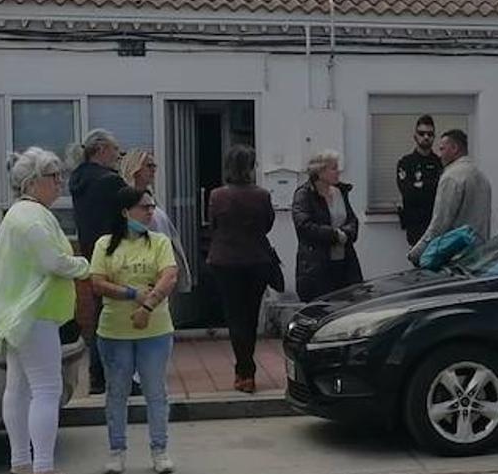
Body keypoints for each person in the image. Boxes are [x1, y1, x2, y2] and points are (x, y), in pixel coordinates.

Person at [0, 147, 91, 474]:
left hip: (16, 314)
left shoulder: (15, 216)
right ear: (33, 183)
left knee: (17, 389)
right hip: (37, 313)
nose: (59, 182)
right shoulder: (34, 217)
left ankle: (21, 463)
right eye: (53, 176)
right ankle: (44, 472)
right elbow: (54, 262)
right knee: (46, 390)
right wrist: (84, 266)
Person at [89, 186, 179, 474]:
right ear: (126, 212)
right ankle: (117, 450)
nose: (150, 212)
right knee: (117, 392)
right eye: (144, 207)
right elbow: (97, 282)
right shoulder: (105, 245)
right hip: (114, 331)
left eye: (152, 207)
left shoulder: (159, 242)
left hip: (155, 329)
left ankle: (160, 449)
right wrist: (131, 294)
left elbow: (169, 276)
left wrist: (148, 306)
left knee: (156, 391)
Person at [207, 145, 276, 393]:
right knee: (250, 317)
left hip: (225, 261)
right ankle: (247, 371)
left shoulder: (217, 195)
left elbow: (213, 225)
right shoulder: (262, 195)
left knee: (235, 316)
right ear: (250, 167)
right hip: (256, 260)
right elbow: (267, 225)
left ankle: (244, 372)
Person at [68, 128, 126, 395]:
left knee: (100, 315)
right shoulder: (110, 182)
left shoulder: (78, 179)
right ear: (101, 149)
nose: (118, 154)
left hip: (92, 253)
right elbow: (131, 214)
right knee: (115, 317)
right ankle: (113, 376)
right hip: (115, 255)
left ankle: (97, 376)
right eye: (115, 149)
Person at [408, 129, 492, 266]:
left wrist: (417, 252)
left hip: (454, 259)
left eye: (442, 149)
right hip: (478, 257)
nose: (439, 154)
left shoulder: (451, 177)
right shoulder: (481, 176)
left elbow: (440, 224)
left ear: (454, 148)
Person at [292, 150, 363, 302]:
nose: (338, 171)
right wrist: (335, 235)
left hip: (345, 263)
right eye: (334, 168)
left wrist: (347, 233)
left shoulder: (340, 192)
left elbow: (352, 220)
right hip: (317, 265)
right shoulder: (304, 195)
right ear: (320, 171)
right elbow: (304, 226)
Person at [120, 149, 192, 295]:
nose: (153, 170)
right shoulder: (127, 198)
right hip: (143, 266)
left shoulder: (151, 197)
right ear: (136, 168)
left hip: (162, 261)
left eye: (155, 166)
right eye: (149, 166)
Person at [396, 115, 443, 247]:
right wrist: (431, 185)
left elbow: (443, 193)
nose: (426, 137)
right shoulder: (406, 163)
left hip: (437, 227)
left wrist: (420, 186)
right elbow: (408, 192)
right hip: (416, 228)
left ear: (434, 137)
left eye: (430, 134)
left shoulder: (440, 163)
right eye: (421, 133)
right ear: (415, 136)